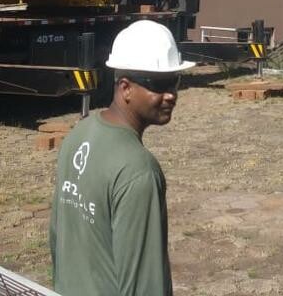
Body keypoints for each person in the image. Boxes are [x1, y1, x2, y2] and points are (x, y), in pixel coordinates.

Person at [50, 20, 195, 296]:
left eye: (175, 82)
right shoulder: (138, 171)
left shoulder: (78, 135)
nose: (171, 95)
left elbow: (57, 239)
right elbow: (145, 284)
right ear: (125, 87)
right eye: (160, 84)